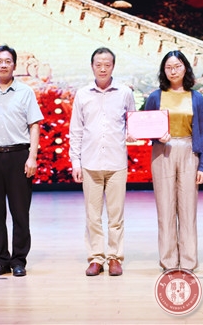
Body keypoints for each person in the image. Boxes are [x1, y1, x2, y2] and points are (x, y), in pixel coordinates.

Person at [0, 45, 44, 277]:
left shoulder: (25, 92)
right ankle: (0, 260)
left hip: (18, 156)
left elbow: (34, 125)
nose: (3, 65)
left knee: (20, 213)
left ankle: (19, 260)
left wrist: (32, 157)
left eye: (8, 61)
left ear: (14, 65)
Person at [69, 47, 136, 277]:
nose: (103, 68)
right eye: (98, 64)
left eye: (107, 64)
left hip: (117, 163)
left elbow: (132, 122)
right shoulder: (82, 94)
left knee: (116, 215)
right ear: (92, 66)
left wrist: (132, 132)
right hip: (90, 163)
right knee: (93, 215)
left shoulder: (125, 93)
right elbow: (76, 130)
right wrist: (75, 162)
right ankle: (96, 258)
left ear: (113, 66)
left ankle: (115, 257)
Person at [143, 50, 203, 271]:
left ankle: (188, 260)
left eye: (177, 66)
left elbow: (202, 132)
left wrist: (202, 164)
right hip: (162, 152)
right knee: (165, 207)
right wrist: (156, 136)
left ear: (185, 68)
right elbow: (145, 126)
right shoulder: (156, 96)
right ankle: (168, 261)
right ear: (163, 70)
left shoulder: (196, 97)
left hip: (189, 149)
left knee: (188, 208)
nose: (173, 71)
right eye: (169, 67)